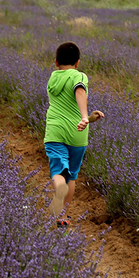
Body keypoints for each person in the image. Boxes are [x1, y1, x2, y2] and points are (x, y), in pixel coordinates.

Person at [44, 42, 104, 227]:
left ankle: (58, 185)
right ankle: (62, 216)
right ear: (77, 63)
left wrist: (88, 118)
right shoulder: (79, 76)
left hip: (55, 131)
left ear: (56, 62)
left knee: (58, 170)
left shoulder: (53, 79)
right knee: (71, 176)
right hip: (78, 134)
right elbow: (79, 91)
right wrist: (86, 117)